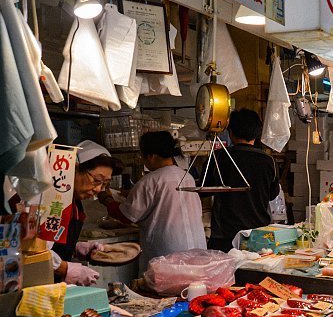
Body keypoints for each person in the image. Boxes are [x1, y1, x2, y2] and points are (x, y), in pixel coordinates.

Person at [99, 131, 206, 271]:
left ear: (151, 156)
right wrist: (131, 194)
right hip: (196, 249)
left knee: (165, 289)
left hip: (167, 251)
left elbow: (126, 216)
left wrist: (106, 199)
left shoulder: (150, 181)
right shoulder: (186, 176)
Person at [46, 141, 123, 286]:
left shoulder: (75, 203)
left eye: (105, 184)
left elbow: (52, 241)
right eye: (97, 180)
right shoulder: (53, 201)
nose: (99, 189)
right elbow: (35, 251)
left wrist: (75, 247)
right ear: (74, 169)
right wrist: (68, 269)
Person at [204, 109, 281, 252]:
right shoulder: (269, 161)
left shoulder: (218, 157)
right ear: (257, 133)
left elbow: (203, 191)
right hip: (259, 237)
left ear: (230, 132)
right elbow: (272, 195)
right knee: (256, 274)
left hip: (225, 237)